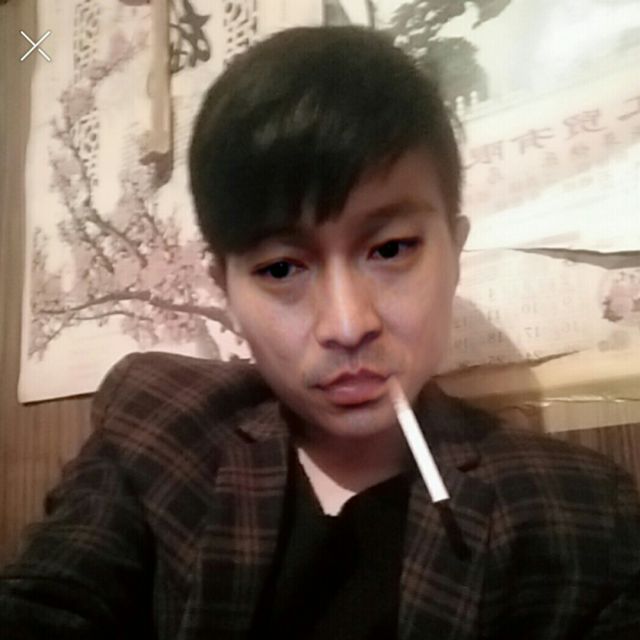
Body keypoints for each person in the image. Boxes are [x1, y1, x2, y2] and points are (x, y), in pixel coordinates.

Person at [1, 25, 639, 640]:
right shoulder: (155, 427)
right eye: (281, 268)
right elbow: (52, 602)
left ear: (455, 251)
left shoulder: (583, 515)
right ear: (225, 289)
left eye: (390, 249)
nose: (348, 325)